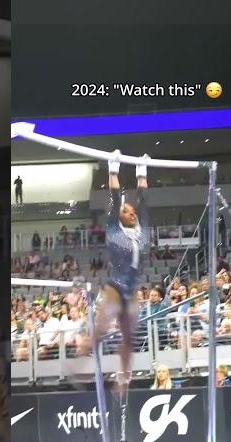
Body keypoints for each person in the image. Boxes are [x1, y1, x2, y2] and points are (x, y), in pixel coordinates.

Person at [89, 155, 150, 393]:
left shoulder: (142, 230)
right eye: (126, 211)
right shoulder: (114, 230)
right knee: (101, 330)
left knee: (128, 338)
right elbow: (115, 199)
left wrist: (142, 172)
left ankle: (123, 379)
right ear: (119, 217)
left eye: (132, 211)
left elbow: (143, 200)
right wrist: (113, 168)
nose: (132, 212)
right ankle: (81, 359)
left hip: (131, 290)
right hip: (115, 286)